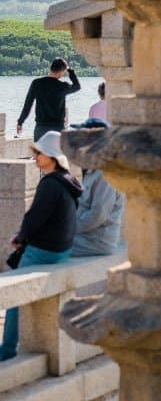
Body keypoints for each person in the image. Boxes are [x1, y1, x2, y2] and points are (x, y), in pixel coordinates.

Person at [0, 132, 82, 361]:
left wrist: (20, 238)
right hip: (61, 250)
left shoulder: (49, 184)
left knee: (14, 291)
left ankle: (6, 349)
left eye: (39, 153)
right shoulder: (68, 181)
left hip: (44, 252)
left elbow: (36, 218)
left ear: (52, 156)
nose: (35, 157)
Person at [72, 124, 124, 257]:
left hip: (97, 240)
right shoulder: (92, 170)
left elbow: (98, 215)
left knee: (45, 246)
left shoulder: (105, 174)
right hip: (88, 236)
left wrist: (70, 228)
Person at [16, 58, 81, 142]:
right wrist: (70, 70)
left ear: (51, 68)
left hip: (41, 128)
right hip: (57, 128)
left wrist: (20, 122)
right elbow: (77, 86)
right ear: (61, 71)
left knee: (40, 155)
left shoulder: (36, 83)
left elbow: (28, 105)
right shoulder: (63, 86)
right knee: (56, 154)